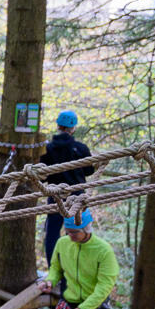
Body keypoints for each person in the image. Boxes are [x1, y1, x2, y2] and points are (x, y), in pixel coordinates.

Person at [40, 110, 93, 263]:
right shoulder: (81, 148)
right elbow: (89, 170)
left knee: (52, 233)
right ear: (73, 128)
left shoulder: (48, 149)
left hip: (56, 196)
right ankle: (76, 266)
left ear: (58, 126)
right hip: (78, 196)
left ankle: (53, 269)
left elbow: (43, 176)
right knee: (79, 231)